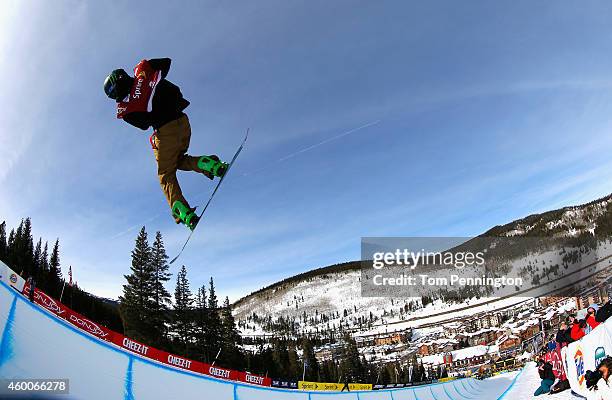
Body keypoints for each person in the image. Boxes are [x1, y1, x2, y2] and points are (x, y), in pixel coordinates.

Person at [103, 59, 228, 230]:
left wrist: (141, 99)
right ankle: (210, 165)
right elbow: (166, 63)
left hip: (165, 131)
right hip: (183, 123)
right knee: (178, 161)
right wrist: (148, 81)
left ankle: (181, 210)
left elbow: (143, 125)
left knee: (165, 175)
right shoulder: (143, 74)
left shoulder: (127, 108)